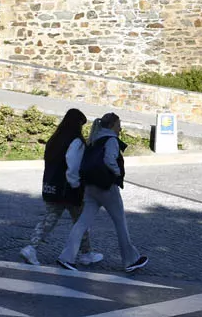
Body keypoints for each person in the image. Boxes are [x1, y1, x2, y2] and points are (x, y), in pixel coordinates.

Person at [58, 113, 147, 273]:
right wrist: (117, 173)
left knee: (82, 222)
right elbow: (109, 159)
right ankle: (130, 260)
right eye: (119, 124)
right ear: (112, 125)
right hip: (107, 187)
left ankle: (66, 257)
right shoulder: (111, 140)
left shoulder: (94, 138)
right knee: (120, 222)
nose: (120, 127)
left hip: (91, 186)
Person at [22, 109, 102, 267]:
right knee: (81, 221)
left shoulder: (55, 139)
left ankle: (31, 247)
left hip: (52, 186)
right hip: (69, 190)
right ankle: (86, 254)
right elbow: (73, 167)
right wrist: (77, 185)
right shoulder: (76, 141)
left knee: (49, 220)